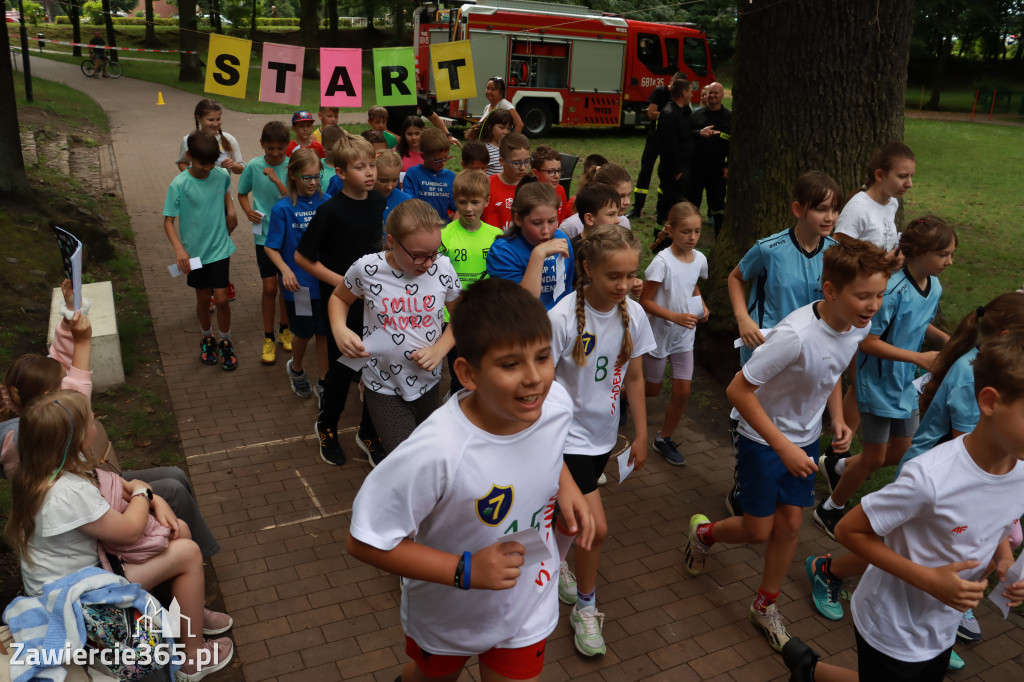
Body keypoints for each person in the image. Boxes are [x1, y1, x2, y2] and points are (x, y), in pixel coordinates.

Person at [346, 277, 593, 682]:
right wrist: (464, 571)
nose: (535, 378)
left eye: (544, 357)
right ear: (468, 374)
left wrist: (566, 484)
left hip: (528, 602)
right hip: (449, 613)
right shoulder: (436, 451)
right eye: (510, 364)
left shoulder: (554, 404)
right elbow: (364, 540)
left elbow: (546, 446)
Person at [686, 234, 893, 652]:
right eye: (864, 296)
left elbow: (833, 369)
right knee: (756, 529)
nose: (873, 306)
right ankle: (704, 534)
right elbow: (738, 391)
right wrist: (782, 446)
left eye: (880, 295)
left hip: (800, 440)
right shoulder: (794, 336)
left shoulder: (857, 324)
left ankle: (765, 606)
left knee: (792, 524)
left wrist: (835, 417)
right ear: (831, 291)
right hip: (761, 437)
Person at [783, 331, 1024, 682]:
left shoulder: (1019, 471)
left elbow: (999, 517)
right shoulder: (931, 477)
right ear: (989, 402)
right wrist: (929, 579)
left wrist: (1004, 559)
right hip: (892, 625)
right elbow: (848, 529)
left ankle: (810, 670)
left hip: (940, 625)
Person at [7, 391, 234, 681]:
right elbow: (129, 531)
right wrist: (144, 492)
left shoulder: (49, 467)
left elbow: (117, 485)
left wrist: (154, 500)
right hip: (79, 597)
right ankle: (192, 658)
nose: (96, 421)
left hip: (84, 574)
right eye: (90, 420)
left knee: (181, 530)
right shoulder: (65, 493)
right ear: (72, 439)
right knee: (188, 552)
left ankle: (193, 615)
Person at [815, 216, 956, 539]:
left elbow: (917, 324)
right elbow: (867, 341)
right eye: (944, 254)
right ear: (920, 253)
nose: (949, 261)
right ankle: (830, 509)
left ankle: (836, 467)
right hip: (876, 384)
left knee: (901, 452)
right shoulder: (890, 291)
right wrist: (919, 357)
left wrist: (948, 341)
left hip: (905, 384)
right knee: (876, 456)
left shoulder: (933, 286)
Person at [549, 225, 655, 657]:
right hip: (564, 441)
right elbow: (538, 387)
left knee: (568, 521)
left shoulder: (635, 313)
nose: (624, 285)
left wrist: (643, 434)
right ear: (587, 269)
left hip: (601, 439)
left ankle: (556, 563)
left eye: (631, 275)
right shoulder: (559, 319)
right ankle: (586, 610)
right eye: (614, 276)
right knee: (594, 528)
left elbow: (632, 375)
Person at [329, 200, 461, 461]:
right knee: (407, 459)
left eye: (435, 252)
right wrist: (339, 329)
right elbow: (339, 298)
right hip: (383, 385)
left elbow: (464, 315)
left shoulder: (443, 268)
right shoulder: (366, 269)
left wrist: (440, 349)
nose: (427, 263)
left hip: (429, 382)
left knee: (426, 450)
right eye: (418, 255)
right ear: (391, 241)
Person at [295, 135, 385, 466]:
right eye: (360, 167)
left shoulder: (378, 202)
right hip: (342, 305)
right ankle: (327, 426)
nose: (370, 173)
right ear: (341, 173)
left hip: (376, 304)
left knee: (377, 366)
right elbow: (303, 257)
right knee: (342, 370)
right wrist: (345, 284)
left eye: (372, 165)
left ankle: (368, 432)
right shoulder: (329, 210)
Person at [834, 142, 917, 455]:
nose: (909, 183)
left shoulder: (890, 203)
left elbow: (885, 240)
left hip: (877, 302)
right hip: (855, 304)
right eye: (902, 176)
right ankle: (839, 447)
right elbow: (840, 248)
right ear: (880, 175)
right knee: (859, 377)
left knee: (860, 378)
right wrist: (885, 262)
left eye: (911, 176)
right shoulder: (858, 207)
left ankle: (840, 443)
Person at [640, 201, 710, 466]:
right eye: (685, 232)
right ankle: (617, 396)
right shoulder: (662, 262)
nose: (692, 238)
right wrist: (675, 317)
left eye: (697, 231)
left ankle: (663, 438)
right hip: (658, 336)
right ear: (670, 230)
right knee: (652, 389)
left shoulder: (700, 259)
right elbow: (645, 302)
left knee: (682, 392)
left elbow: (692, 287)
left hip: (684, 338)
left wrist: (701, 305)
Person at [163, 131, 238, 371]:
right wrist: (179, 250)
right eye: (202, 164)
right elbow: (168, 222)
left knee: (223, 298)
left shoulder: (220, 175)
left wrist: (231, 209)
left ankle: (225, 341)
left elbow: (224, 191)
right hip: (194, 254)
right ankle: (207, 338)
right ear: (189, 156)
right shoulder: (179, 184)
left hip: (219, 248)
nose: (207, 169)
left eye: (211, 164)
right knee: (203, 298)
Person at [264, 149, 331, 401]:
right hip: (300, 287)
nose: (313, 182)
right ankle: (297, 368)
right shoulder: (282, 209)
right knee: (304, 332)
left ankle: (324, 381)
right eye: (307, 177)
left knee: (324, 331)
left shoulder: (328, 203)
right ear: (292, 175)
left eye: (317, 176)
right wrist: (286, 270)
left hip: (324, 283)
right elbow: (271, 247)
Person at [441, 170, 502, 395]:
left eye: (475, 202)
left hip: (485, 315)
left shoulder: (497, 236)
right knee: (459, 370)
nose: (468, 208)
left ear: (486, 201)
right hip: (451, 317)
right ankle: (456, 398)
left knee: (482, 367)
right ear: (454, 200)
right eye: (462, 202)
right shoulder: (444, 236)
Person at [237, 121, 291, 365]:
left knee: (286, 285)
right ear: (262, 145)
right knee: (270, 287)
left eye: (280, 148)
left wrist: (275, 178)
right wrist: (248, 210)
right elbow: (242, 193)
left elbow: (292, 196)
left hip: (288, 233)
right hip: (264, 233)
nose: (276, 153)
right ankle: (268, 337)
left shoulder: (291, 166)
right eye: (271, 149)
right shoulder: (253, 166)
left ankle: (285, 329)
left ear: (287, 146)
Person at [487, 182, 574, 311]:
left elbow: (567, 289)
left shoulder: (561, 239)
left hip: (560, 324)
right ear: (517, 219)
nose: (546, 230)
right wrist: (538, 255)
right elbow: (523, 305)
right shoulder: (503, 252)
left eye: (552, 221)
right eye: (537, 223)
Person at [629, 71, 686, 219]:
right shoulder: (659, 91)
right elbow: (651, 114)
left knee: (666, 173)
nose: (675, 84)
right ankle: (637, 208)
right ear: (671, 79)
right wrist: (668, 115)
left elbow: (683, 118)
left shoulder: (683, 100)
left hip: (668, 142)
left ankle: (661, 205)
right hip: (654, 139)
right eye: (675, 81)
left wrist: (660, 114)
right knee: (645, 170)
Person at [687, 82, 730, 237]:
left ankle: (719, 235)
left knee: (718, 204)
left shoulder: (729, 117)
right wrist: (699, 133)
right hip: (696, 168)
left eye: (715, 93)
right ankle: (690, 232)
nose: (712, 96)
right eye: (710, 92)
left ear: (722, 95)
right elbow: (685, 137)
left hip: (717, 169)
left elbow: (735, 145)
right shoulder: (696, 115)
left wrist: (727, 166)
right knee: (692, 203)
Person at [654, 79, 694, 226]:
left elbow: (683, 136)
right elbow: (668, 146)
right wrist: (677, 171)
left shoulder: (680, 112)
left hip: (680, 168)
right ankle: (661, 238)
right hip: (674, 171)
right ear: (684, 93)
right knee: (669, 207)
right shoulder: (669, 114)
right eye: (690, 90)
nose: (692, 94)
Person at [175, 99, 244, 176]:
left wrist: (233, 165)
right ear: (198, 118)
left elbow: (241, 168)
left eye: (218, 119)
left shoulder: (230, 139)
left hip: (221, 187)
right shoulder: (188, 139)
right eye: (210, 120)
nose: (215, 124)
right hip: (198, 186)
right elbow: (182, 162)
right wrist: (191, 175)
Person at [403, 128, 457, 222]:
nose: (443, 163)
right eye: (438, 160)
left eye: (446, 157)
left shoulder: (450, 177)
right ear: (423, 155)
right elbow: (409, 205)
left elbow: (459, 206)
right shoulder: (413, 174)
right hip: (420, 227)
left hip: (443, 230)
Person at [481, 132, 531, 232]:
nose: (522, 168)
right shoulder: (486, 186)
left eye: (527, 161)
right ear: (501, 161)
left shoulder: (531, 186)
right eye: (516, 163)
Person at [384, 94, 460, 148]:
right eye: (416, 82)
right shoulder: (388, 103)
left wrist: (448, 136)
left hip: (414, 148)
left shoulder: (421, 102)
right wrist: (401, 140)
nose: (420, 86)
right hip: (392, 147)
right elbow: (380, 128)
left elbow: (435, 118)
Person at [531, 145, 570, 223]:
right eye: (551, 172)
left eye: (559, 170)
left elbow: (562, 221)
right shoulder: (529, 195)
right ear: (535, 172)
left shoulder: (560, 190)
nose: (557, 176)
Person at [374, 149, 411, 230]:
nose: (389, 187)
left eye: (395, 180)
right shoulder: (360, 197)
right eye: (383, 181)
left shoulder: (406, 201)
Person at [477, 109, 513, 177]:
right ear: (490, 126)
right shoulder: (485, 149)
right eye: (502, 128)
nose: (505, 132)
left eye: (508, 129)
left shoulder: (510, 148)